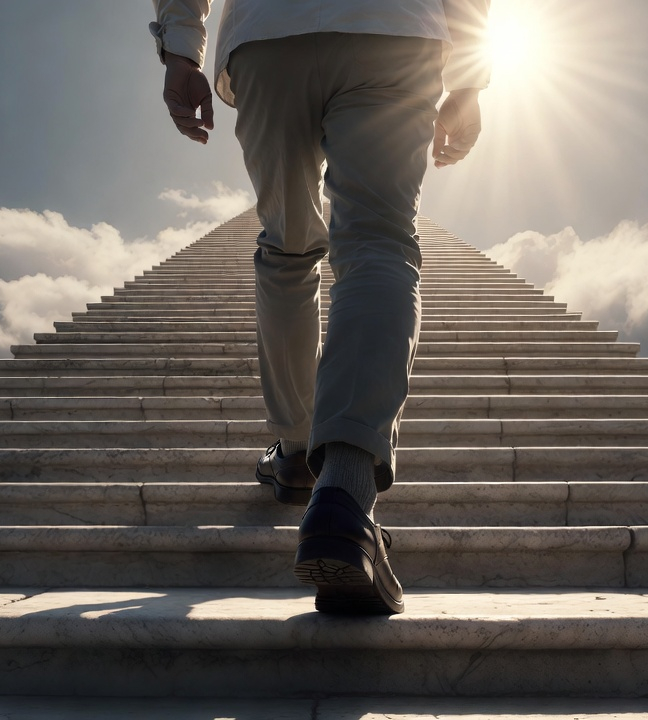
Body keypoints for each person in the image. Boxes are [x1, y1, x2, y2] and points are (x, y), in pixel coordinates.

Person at [150, 0, 490, 615]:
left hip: (269, 35)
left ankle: (297, 451)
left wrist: (180, 46)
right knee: (379, 242)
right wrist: (468, 76)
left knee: (287, 247)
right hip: (395, 32)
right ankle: (345, 489)